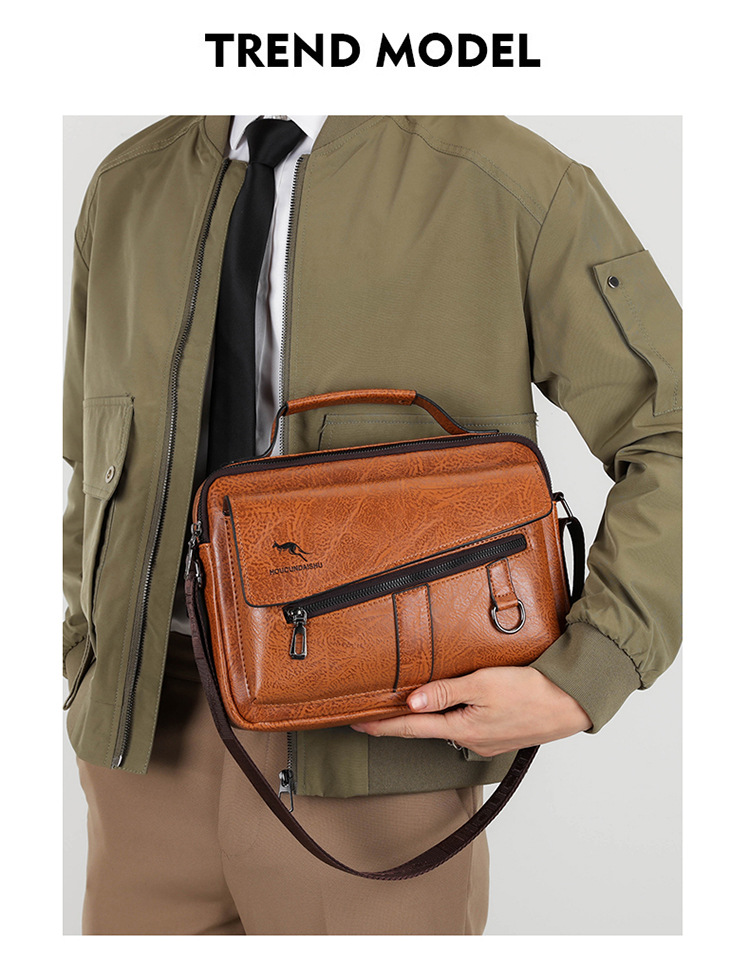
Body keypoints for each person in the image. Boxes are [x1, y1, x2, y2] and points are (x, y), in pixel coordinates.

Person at [62, 115, 682, 935]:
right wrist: (82, 658)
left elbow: (683, 428)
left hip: (379, 759)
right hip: (145, 753)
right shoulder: (127, 184)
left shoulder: (507, 180)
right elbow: (91, 457)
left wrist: (591, 671)